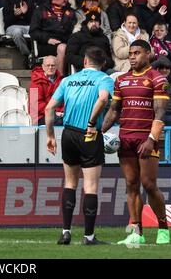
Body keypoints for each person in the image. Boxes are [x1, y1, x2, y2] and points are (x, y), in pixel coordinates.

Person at [102, 40, 171, 245]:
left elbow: (160, 111)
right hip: (125, 139)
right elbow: (114, 110)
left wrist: (152, 138)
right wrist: (98, 132)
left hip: (146, 139)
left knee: (149, 185)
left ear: (148, 54)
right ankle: (136, 231)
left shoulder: (157, 79)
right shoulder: (121, 80)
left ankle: (163, 227)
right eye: (130, 53)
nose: (132, 57)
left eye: (137, 53)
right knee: (131, 185)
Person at [45, 46, 114, 245]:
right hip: (89, 134)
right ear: (103, 64)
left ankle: (65, 232)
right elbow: (102, 98)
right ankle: (89, 237)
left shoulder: (67, 80)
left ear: (84, 61)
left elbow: (50, 108)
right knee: (90, 186)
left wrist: (50, 135)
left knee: (70, 183)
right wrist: (92, 123)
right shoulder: (104, 79)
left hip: (68, 134)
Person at [29, 0, 77, 76]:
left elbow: (73, 30)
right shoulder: (41, 10)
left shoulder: (70, 12)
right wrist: (48, 39)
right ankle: (59, 78)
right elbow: (33, 31)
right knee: (62, 48)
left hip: (66, 42)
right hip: (46, 44)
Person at [3, 0, 35, 65]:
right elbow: (7, 21)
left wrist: (25, 13)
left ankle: (37, 53)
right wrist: (15, 15)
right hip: (12, 27)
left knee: (38, 31)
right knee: (17, 32)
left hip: (27, 26)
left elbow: (33, 19)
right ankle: (28, 55)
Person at [29, 56, 63, 126]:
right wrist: (54, 112)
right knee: (59, 122)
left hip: (59, 114)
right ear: (43, 67)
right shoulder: (35, 82)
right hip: (40, 116)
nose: (50, 67)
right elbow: (35, 104)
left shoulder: (62, 81)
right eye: (48, 65)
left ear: (57, 66)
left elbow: (66, 100)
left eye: (53, 65)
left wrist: (62, 111)